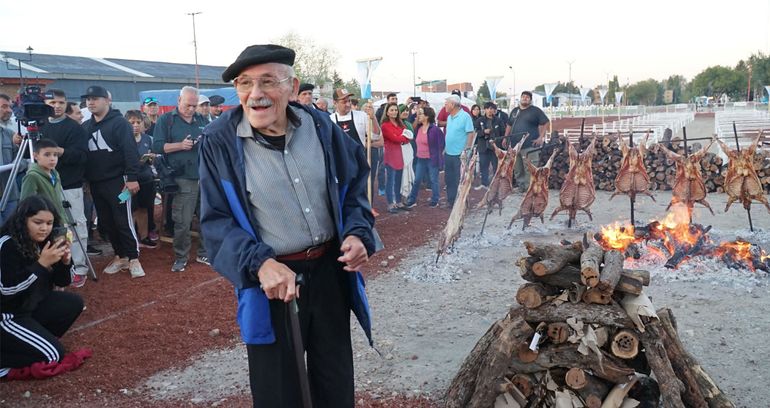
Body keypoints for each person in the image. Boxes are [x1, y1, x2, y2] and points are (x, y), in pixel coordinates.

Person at [199, 44, 375, 408]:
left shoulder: (320, 126)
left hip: (329, 273)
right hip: (271, 282)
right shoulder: (219, 142)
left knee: (335, 382)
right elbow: (216, 222)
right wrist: (259, 263)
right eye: (244, 83)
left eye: (267, 81)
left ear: (292, 87)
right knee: (278, 392)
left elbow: (353, 185)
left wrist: (358, 233)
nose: (255, 94)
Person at [0, 195, 84, 377]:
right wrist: (41, 265)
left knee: (73, 303)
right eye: (37, 222)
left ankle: (30, 342)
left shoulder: (46, 241)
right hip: (7, 315)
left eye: (49, 223)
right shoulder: (7, 244)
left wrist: (65, 262)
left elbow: (63, 282)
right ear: (23, 220)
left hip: (28, 307)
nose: (44, 228)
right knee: (53, 355)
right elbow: (6, 290)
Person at [81, 85, 144, 278]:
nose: (91, 102)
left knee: (123, 220)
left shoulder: (120, 123)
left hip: (119, 182)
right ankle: (120, 256)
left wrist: (132, 178)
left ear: (107, 100)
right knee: (107, 222)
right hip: (96, 183)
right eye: (88, 99)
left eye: (95, 98)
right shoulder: (86, 126)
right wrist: (87, 180)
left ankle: (133, 258)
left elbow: (130, 151)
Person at [152, 86, 209, 272]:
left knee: (206, 218)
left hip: (204, 176)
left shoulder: (202, 119)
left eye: (194, 105)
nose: (191, 109)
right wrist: (180, 145)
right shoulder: (166, 120)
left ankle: (204, 253)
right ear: (179, 101)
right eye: (188, 105)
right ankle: (181, 257)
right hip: (182, 178)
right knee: (183, 221)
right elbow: (157, 147)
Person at [41, 89, 91, 287]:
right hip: (44, 183)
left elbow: (82, 156)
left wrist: (60, 152)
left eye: (61, 102)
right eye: (52, 102)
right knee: (48, 225)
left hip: (69, 184)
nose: (57, 106)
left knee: (76, 225)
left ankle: (79, 267)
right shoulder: (39, 126)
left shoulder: (75, 128)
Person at [125, 110, 157, 250]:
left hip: (146, 179)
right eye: (132, 122)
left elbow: (152, 160)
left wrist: (151, 158)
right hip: (128, 181)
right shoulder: (122, 140)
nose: (136, 125)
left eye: (138, 122)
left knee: (144, 208)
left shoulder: (147, 139)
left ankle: (144, 237)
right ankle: (130, 239)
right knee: (130, 210)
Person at [506, 90, 549, 189]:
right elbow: (509, 125)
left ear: (530, 100)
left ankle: (529, 188)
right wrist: (506, 138)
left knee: (529, 168)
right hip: (515, 145)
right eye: (523, 97)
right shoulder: (515, 111)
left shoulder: (535, 111)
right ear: (520, 98)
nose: (525, 98)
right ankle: (521, 187)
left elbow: (546, 122)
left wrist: (540, 137)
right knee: (518, 168)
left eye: (527, 97)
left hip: (530, 145)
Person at [405, 106, 444, 208]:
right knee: (417, 180)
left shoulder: (435, 130)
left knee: (433, 180)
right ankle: (412, 199)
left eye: (421, 114)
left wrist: (438, 157)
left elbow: (441, 144)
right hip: (420, 158)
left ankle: (435, 199)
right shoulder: (418, 128)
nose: (418, 115)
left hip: (432, 159)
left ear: (427, 116)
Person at [443, 94, 475, 207]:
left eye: (446, 104)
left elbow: (470, 133)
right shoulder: (449, 117)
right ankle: (451, 201)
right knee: (449, 179)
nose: (445, 106)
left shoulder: (465, 116)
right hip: (448, 153)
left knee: (460, 179)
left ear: (452, 105)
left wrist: (467, 150)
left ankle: (461, 202)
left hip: (460, 155)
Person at [380, 102, 411, 213]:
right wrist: (402, 137)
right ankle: (390, 204)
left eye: (396, 110)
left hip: (400, 155)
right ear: (387, 112)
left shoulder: (400, 124)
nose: (394, 112)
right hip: (390, 155)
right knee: (390, 180)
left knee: (398, 180)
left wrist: (401, 137)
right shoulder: (385, 126)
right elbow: (395, 139)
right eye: (392, 110)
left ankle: (398, 202)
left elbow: (409, 136)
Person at [0, 94, 24, 225]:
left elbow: (23, 159)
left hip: (9, 194)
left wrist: (15, 165)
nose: (9, 110)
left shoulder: (9, 134)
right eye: (4, 106)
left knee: (11, 231)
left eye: (10, 106)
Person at [475, 101, 506, 189]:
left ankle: (496, 184)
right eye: (487, 108)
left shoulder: (498, 120)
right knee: (483, 166)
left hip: (495, 148)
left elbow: (503, 133)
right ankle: (484, 184)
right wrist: (483, 132)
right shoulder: (480, 120)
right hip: (483, 147)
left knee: (496, 167)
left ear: (494, 110)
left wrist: (500, 142)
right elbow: (475, 133)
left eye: (491, 109)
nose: (489, 110)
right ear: (484, 110)